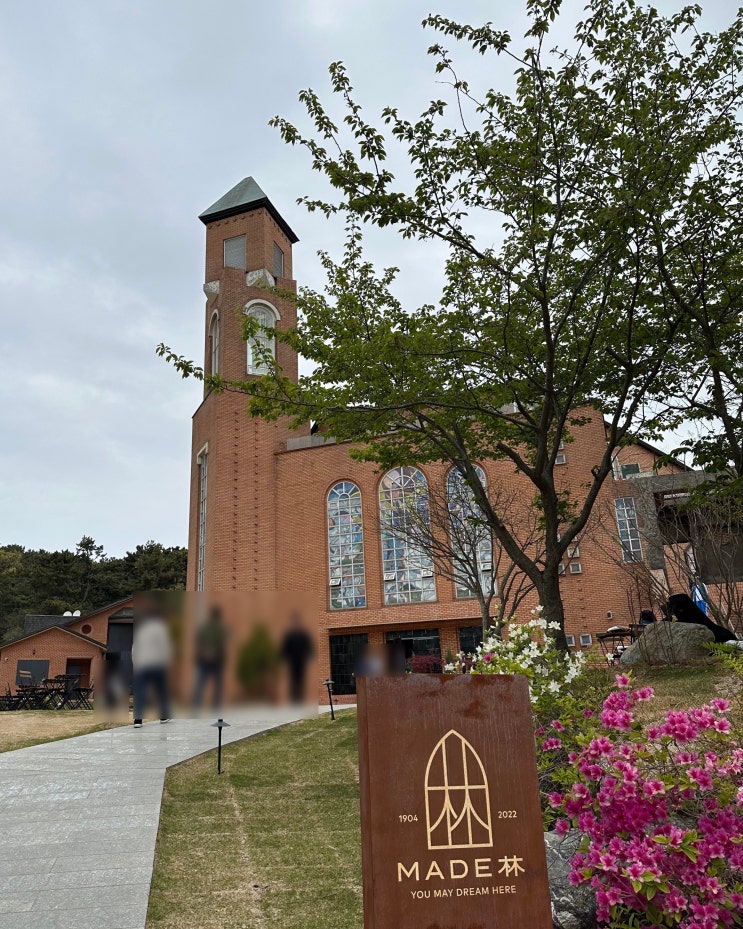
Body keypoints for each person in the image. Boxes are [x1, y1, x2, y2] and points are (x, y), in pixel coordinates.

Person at [132, 596, 173, 727]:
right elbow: (165, 646)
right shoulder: (160, 628)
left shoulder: (141, 630)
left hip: (141, 664)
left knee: (140, 691)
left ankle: (138, 720)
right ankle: (163, 716)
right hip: (156, 664)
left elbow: (134, 649)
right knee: (161, 690)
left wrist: (136, 664)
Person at [192, 605, 227, 710]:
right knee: (218, 684)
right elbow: (221, 644)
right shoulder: (220, 628)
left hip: (203, 658)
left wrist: (203, 652)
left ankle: (196, 706)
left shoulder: (204, 627)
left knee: (200, 683)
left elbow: (198, 640)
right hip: (216, 660)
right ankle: (216, 707)